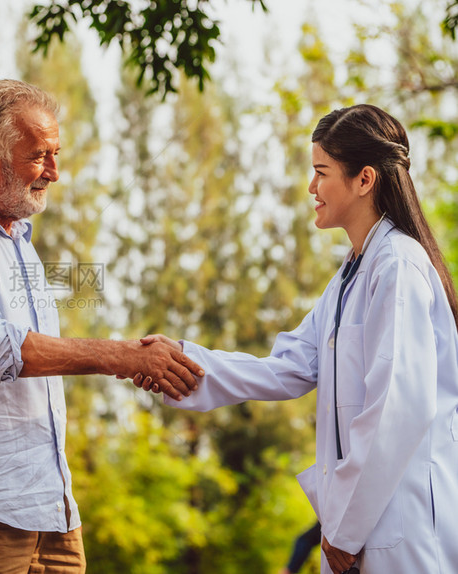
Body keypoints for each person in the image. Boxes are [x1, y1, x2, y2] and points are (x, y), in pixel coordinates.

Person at [0, 79, 204, 572]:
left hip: (53, 517)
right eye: (39, 156)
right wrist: (121, 357)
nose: (55, 171)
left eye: (56, 153)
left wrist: (139, 359)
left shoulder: (21, 245)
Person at [133, 104, 458, 573]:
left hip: (396, 530)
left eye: (321, 172)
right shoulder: (351, 275)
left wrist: (346, 528)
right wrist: (181, 363)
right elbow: (288, 366)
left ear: (364, 180)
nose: (311, 187)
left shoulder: (398, 266)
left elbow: (398, 406)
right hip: (362, 530)